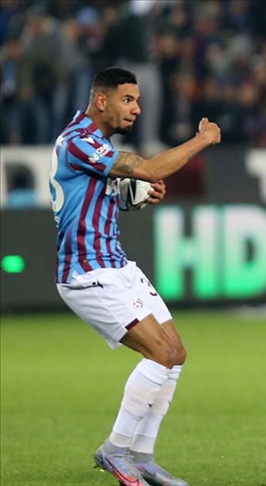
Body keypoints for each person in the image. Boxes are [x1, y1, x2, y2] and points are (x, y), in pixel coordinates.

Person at [51, 67, 222, 486]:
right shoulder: (78, 140)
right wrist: (201, 140)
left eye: (137, 101)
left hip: (116, 264)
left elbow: (101, 196)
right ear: (101, 100)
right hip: (87, 271)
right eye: (127, 99)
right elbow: (147, 167)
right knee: (159, 354)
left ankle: (142, 456)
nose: (136, 109)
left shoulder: (97, 145)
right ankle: (115, 449)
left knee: (175, 354)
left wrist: (135, 196)